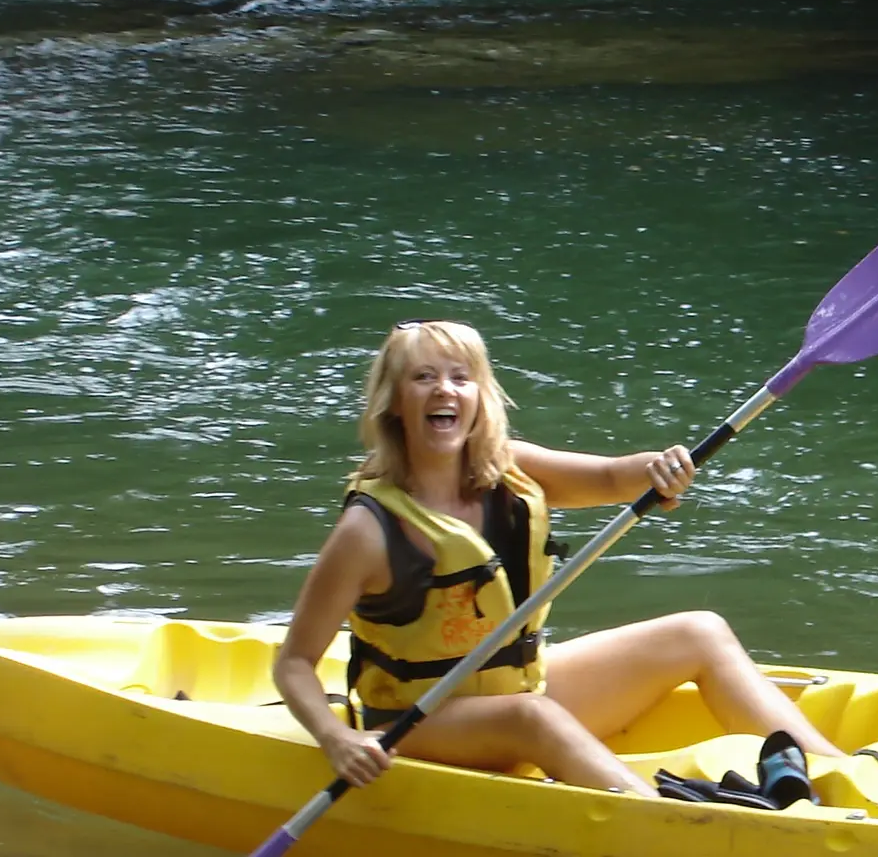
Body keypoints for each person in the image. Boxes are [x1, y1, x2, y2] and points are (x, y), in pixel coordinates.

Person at [272, 319, 843, 796]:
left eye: (460, 377)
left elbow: (614, 477)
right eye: (423, 378)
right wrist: (335, 738)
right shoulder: (368, 529)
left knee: (699, 631)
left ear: (480, 397)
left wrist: (659, 468)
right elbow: (294, 663)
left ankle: (842, 779)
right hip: (417, 723)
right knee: (534, 718)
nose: (445, 390)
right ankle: (670, 825)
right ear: (395, 404)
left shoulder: (511, 469)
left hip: (513, 691)